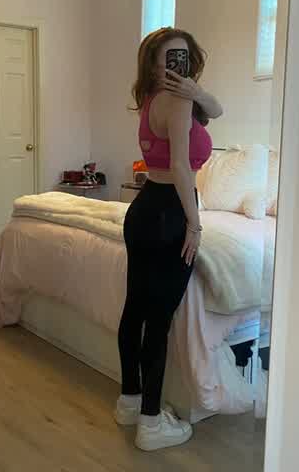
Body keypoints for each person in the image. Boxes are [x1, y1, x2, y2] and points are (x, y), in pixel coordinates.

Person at [115, 27, 222, 451]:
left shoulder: (152, 97)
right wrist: (194, 224)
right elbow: (180, 167)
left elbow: (217, 109)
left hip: (143, 210)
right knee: (158, 321)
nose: (178, 64)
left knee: (135, 310)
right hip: (169, 213)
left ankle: (130, 401)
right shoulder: (178, 102)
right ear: (154, 63)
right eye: (169, 57)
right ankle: (151, 423)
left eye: (183, 57)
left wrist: (197, 92)